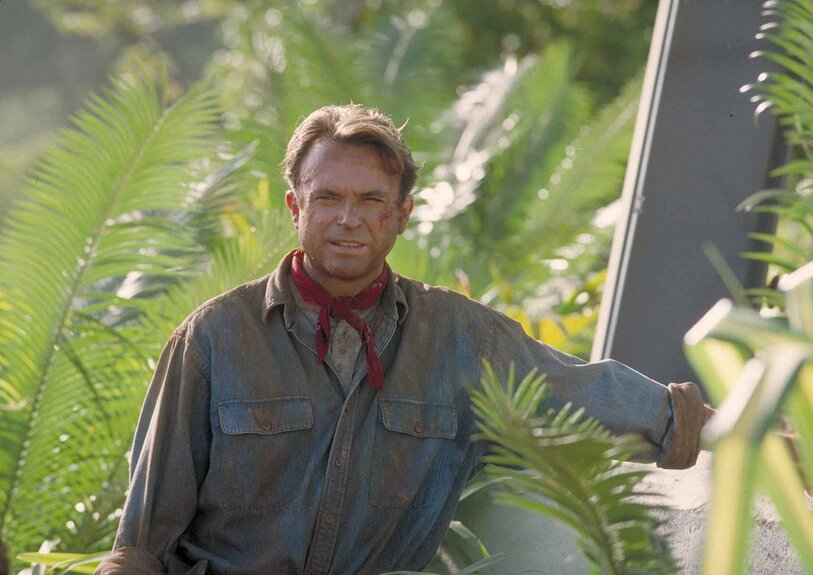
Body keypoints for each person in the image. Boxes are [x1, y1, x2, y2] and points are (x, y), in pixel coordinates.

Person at [96, 104, 710, 575]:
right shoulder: (215, 337)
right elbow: (143, 538)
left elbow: (578, 391)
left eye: (370, 200)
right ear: (295, 207)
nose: (347, 218)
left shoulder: (460, 338)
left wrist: (713, 425)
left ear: (401, 215)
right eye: (327, 197)